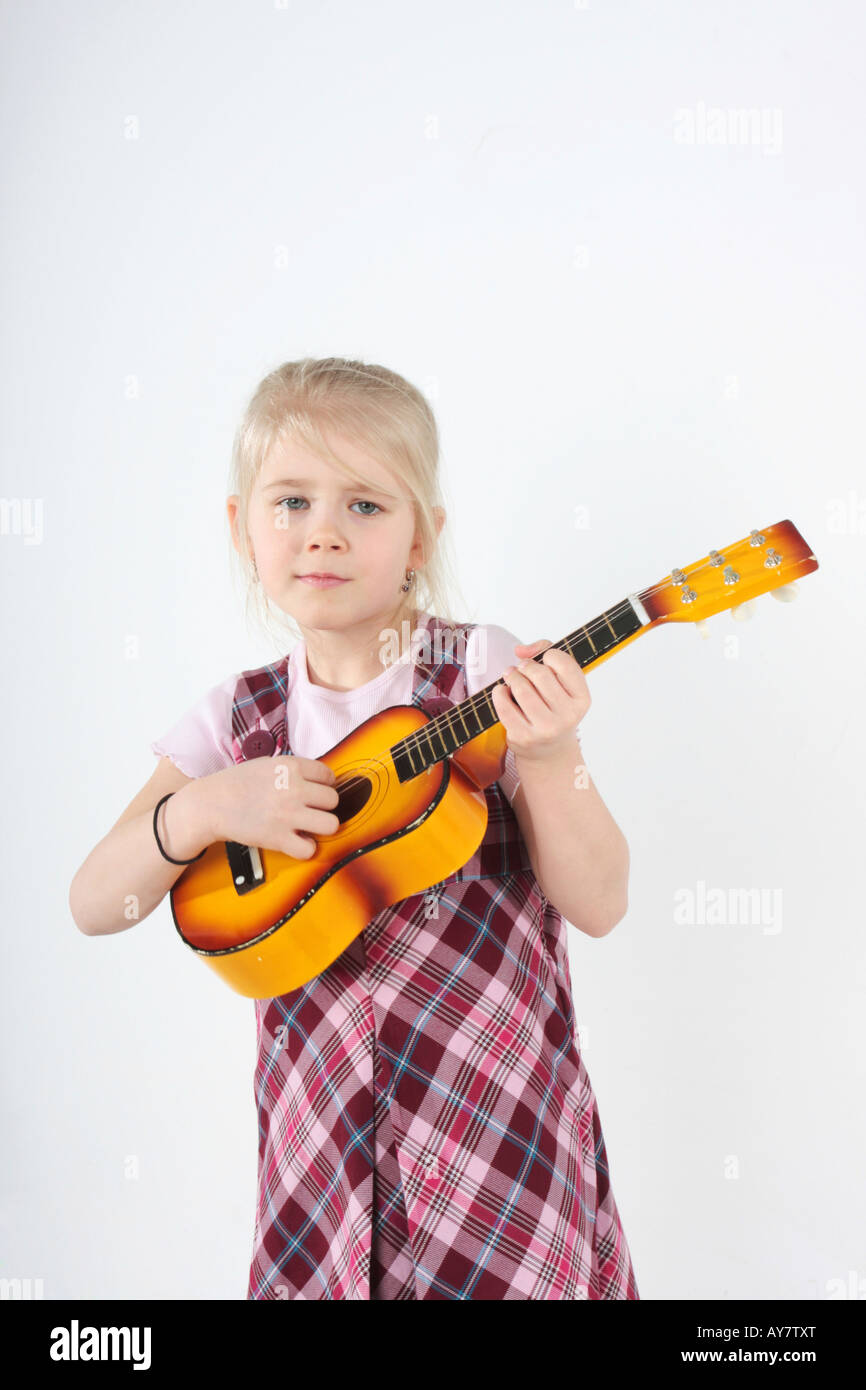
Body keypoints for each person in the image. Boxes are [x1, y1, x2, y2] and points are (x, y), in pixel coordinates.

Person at [69, 356, 639, 1301]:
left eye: (366, 506)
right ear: (240, 525)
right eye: (290, 501)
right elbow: (97, 902)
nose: (322, 533)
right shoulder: (235, 720)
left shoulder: (483, 674)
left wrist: (547, 758)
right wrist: (205, 808)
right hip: (319, 1162)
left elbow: (602, 901)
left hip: (494, 1143)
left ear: (423, 536)